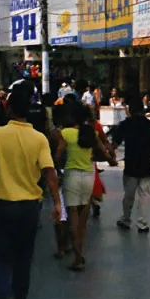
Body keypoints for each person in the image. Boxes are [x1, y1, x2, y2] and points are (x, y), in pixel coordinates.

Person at [0, 86, 62, 299]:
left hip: (3, 205)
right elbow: (50, 173)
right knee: (23, 257)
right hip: (29, 207)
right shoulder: (39, 138)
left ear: (8, 108)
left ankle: (4, 295)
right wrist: (57, 203)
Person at [53, 102, 97, 271]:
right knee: (83, 221)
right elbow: (103, 151)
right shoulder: (90, 132)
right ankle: (80, 252)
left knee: (72, 217)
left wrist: (57, 171)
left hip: (71, 175)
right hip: (88, 176)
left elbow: (57, 156)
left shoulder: (66, 133)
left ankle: (78, 258)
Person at [111, 95, 150, 233]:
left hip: (131, 165)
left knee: (129, 195)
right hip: (146, 165)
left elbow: (115, 143)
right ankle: (142, 223)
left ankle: (126, 219)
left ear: (130, 110)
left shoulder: (126, 124)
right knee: (144, 196)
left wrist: (109, 156)